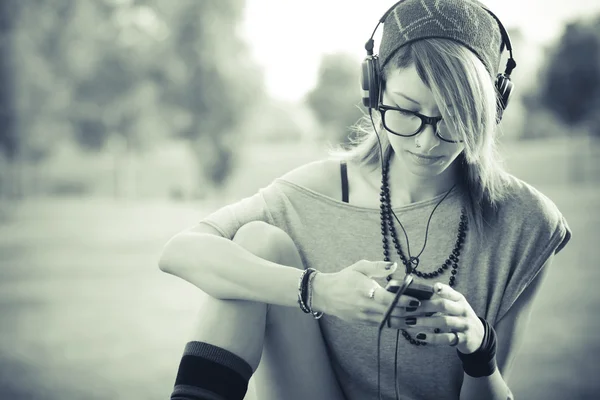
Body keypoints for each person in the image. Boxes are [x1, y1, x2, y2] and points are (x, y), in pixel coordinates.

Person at [158, 0, 572, 399]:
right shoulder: (312, 192)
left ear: (488, 112)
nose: (427, 142)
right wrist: (317, 290)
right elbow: (180, 251)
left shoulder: (528, 221)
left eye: (453, 117)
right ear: (375, 91)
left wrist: (479, 349)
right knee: (257, 243)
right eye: (407, 111)